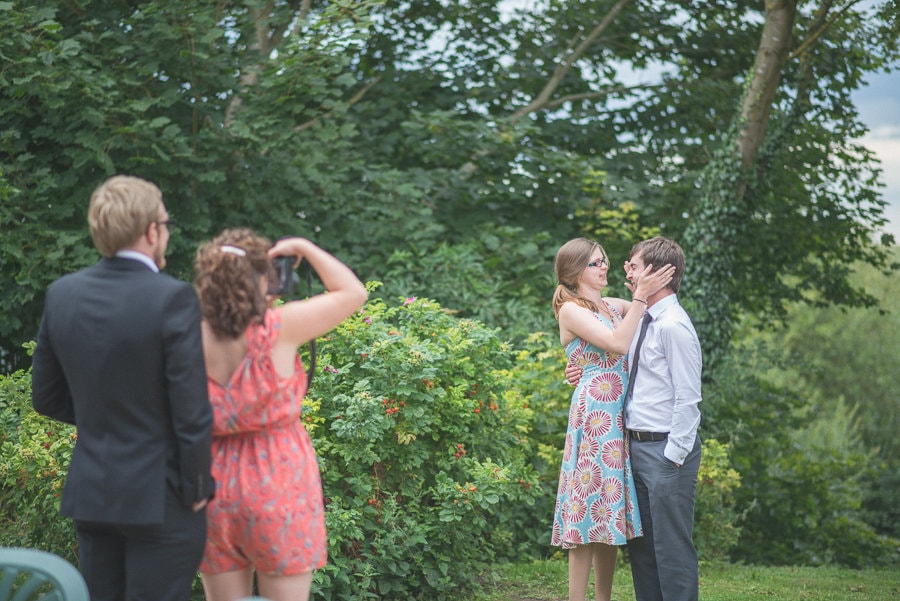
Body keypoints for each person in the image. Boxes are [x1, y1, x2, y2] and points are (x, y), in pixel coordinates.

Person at [31, 175, 215, 601]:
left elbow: (46, 397)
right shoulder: (173, 298)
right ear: (152, 230)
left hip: (94, 494)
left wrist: (104, 414)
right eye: (165, 225)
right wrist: (198, 489)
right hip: (162, 496)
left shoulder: (62, 295)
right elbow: (190, 411)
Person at [194, 228, 368, 601]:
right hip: (279, 479)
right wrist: (304, 247)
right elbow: (354, 293)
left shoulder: (188, 332)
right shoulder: (280, 328)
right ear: (261, 277)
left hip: (212, 482)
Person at [566, 237, 702, 601]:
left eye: (634, 265)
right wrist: (582, 368)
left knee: (672, 550)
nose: (624, 269)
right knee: (643, 552)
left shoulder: (673, 325)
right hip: (632, 447)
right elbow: (608, 347)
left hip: (666, 449)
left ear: (657, 275)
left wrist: (674, 456)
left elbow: (689, 398)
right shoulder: (639, 317)